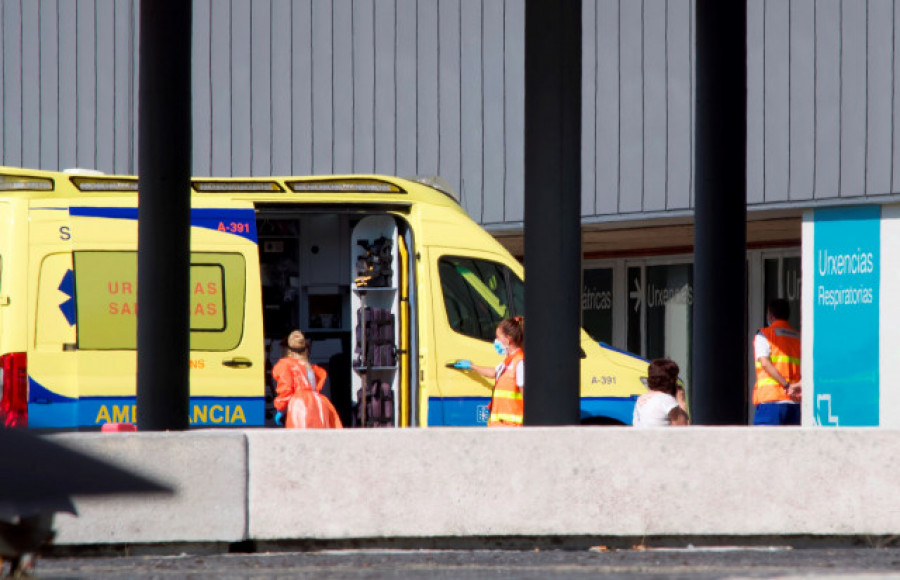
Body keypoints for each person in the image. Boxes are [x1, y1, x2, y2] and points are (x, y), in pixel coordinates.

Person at [451, 317, 525, 427]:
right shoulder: (508, 361)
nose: (496, 341)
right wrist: (472, 366)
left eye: (498, 338)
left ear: (507, 339)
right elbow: (494, 372)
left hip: (512, 428)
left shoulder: (519, 362)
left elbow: (525, 394)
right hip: (500, 426)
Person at [272, 330, 343, 429]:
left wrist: (280, 408)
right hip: (318, 405)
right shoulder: (309, 367)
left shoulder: (285, 364)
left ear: (287, 349)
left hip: (300, 405)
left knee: (300, 440)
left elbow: (286, 389)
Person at [753, 298, 802, 425]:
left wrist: (786, 385)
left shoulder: (764, 335)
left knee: (766, 443)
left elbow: (765, 362)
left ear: (770, 315)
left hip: (771, 401)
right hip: (794, 402)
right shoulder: (798, 337)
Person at [632, 358, 690, 427]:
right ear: (672, 381)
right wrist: (681, 401)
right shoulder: (666, 400)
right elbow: (684, 427)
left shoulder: (640, 399)